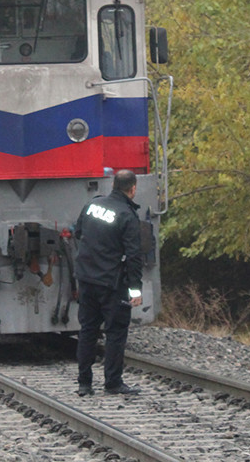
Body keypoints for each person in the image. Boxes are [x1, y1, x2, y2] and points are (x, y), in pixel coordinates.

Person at [73, 169, 144, 396]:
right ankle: (113, 383)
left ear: (113, 185)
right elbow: (134, 256)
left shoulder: (92, 205)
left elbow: (78, 233)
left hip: (86, 278)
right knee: (115, 332)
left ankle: (84, 383)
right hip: (111, 283)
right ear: (133, 189)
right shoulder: (127, 215)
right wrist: (135, 290)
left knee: (88, 330)